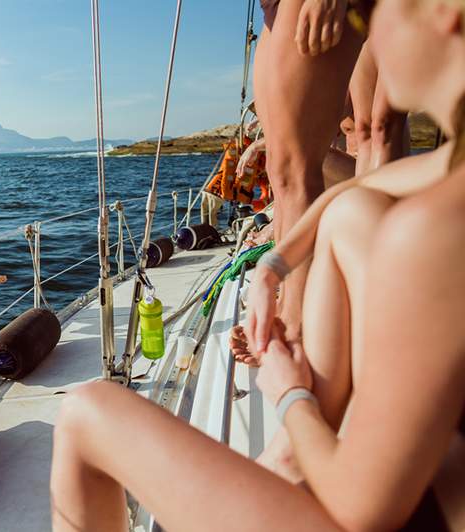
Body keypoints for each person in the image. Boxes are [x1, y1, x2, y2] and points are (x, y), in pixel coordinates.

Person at [49, 1, 465, 530]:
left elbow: (364, 510)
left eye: (378, 11)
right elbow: (358, 190)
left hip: (384, 509)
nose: (369, 38)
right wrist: (273, 267)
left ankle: (298, 446)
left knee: (88, 414)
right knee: (350, 212)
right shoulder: (450, 174)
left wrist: (288, 392)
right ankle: (293, 457)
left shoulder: (430, 232)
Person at [252, 0, 363, 343]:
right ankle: (287, 301)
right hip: (272, 11)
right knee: (279, 165)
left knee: (295, 167)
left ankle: (298, 324)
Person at [348, 40, 410, 175]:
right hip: (364, 26)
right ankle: (363, 190)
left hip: (398, 25)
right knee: (363, 129)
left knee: (384, 126)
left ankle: (379, 193)